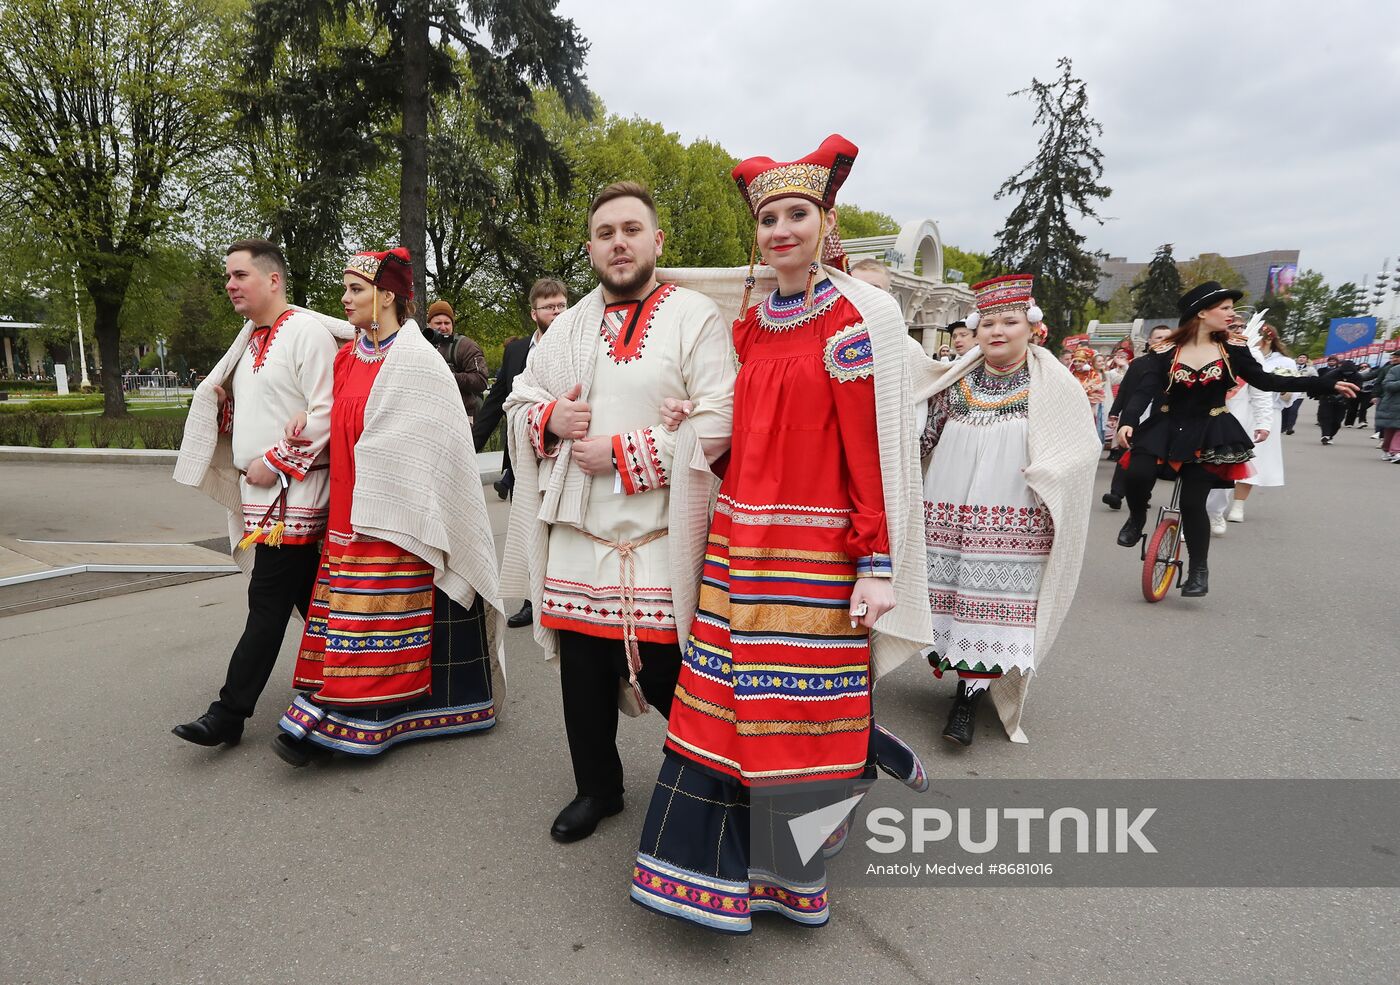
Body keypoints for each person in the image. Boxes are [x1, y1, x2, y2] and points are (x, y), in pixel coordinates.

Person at [628, 135, 934, 934]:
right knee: (726, 706)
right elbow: (746, 431)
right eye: (768, 218)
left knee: (795, 714)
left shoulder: (851, 322)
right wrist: (695, 423)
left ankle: (791, 874)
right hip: (740, 543)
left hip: (817, 552)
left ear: (823, 220)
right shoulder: (754, 324)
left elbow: (866, 455)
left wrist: (876, 562)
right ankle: (712, 873)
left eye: (797, 213)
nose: (781, 229)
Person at [499, 182, 736, 843]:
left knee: (674, 675)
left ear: (657, 241)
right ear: (590, 249)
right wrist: (550, 417)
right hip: (581, 539)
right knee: (583, 677)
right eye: (606, 233)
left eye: (632, 229)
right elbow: (520, 402)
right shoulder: (567, 327)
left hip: (662, 538)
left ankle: (716, 779)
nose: (619, 242)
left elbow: (723, 414)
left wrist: (625, 450)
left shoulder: (695, 316)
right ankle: (597, 788)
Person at [271, 247, 505, 765]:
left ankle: (361, 720)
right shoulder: (346, 357)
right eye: (346, 288)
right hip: (347, 513)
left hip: (397, 514)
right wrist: (301, 425)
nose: (345, 298)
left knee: (376, 622)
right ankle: (326, 709)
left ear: (387, 296)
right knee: (345, 621)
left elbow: (440, 446)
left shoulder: (419, 363)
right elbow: (332, 421)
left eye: (355, 288)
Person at [171, 239, 348, 749]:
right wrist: (225, 409)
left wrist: (274, 462)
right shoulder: (248, 342)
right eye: (228, 276)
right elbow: (267, 408)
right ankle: (349, 680)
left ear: (273, 280)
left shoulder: (306, 332)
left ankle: (229, 712)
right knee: (311, 600)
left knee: (266, 601)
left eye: (240, 275)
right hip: (264, 497)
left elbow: (327, 412)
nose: (230, 284)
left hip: (294, 494)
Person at [918, 275, 1099, 747]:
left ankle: (968, 698)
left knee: (990, 601)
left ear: (1031, 328)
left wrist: (1050, 474)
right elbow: (925, 435)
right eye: (989, 322)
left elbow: (1081, 448)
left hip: (1013, 510)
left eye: (1009, 321)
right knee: (944, 593)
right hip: (948, 505)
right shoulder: (954, 378)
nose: (998, 331)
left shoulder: (1053, 384)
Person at [1115, 282, 1356, 597]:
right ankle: (1136, 516)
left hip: (1212, 429)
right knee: (1136, 473)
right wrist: (1128, 422)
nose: (1232, 314)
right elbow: (1143, 392)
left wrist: (1324, 383)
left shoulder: (1234, 348)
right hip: (1166, 425)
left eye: (1232, 308)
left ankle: (1199, 571)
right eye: (1225, 308)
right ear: (1202, 312)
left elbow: (1267, 380)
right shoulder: (1165, 352)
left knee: (1192, 503)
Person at [473, 277, 570, 629]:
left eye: (561, 305)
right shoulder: (516, 352)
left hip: (564, 458)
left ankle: (564, 599)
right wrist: (469, 448)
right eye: (549, 307)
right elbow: (497, 401)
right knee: (529, 528)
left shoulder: (579, 345)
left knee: (561, 532)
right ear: (534, 313)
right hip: (524, 462)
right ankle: (532, 601)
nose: (557, 312)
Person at [1207, 323, 1295, 532]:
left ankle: (1216, 511)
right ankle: (1190, 518)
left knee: (1226, 467)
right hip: (1201, 418)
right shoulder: (1204, 347)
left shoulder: (1253, 355)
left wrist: (1264, 422)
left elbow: (1261, 392)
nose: (1235, 330)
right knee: (1195, 471)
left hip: (1235, 420)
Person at [1101, 325, 1174, 510]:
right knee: (1127, 453)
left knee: (1148, 458)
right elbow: (1125, 390)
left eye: (1167, 337)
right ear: (1150, 341)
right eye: (1158, 337)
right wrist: (1114, 412)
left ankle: (1143, 495)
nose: (1163, 341)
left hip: (1158, 418)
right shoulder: (1139, 364)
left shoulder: (1176, 365)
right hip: (1133, 415)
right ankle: (1116, 493)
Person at [424, 299, 489, 418]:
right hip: (430, 414)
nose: (443, 327)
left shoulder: (466, 346)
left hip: (462, 416)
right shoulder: (421, 346)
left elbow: (481, 381)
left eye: (447, 323)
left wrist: (451, 376)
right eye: (438, 323)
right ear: (429, 324)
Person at [1315, 357, 1358, 445]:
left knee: (1337, 421)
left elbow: (1357, 389)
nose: (1347, 374)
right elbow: (1323, 384)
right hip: (1328, 398)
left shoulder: (1357, 376)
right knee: (1326, 417)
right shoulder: (1333, 373)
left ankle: (1330, 435)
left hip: (1344, 400)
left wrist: (1342, 396)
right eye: (1345, 372)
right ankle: (1325, 435)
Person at [1281, 352, 1316, 434]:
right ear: (1297, 358)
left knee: (1293, 410)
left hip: (1300, 394)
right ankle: (1283, 427)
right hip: (1288, 392)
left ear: (1307, 360)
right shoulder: (1290, 367)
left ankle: (1290, 428)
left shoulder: (1310, 369)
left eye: (1304, 357)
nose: (1302, 359)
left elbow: (1315, 379)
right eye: (1300, 357)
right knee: (1285, 410)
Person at [1374, 350, 1400, 461]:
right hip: (1393, 404)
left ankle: (1395, 451)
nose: (1394, 359)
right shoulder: (1394, 370)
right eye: (1393, 357)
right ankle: (1387, 450)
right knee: (1390, 429)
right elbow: (1387, 385)